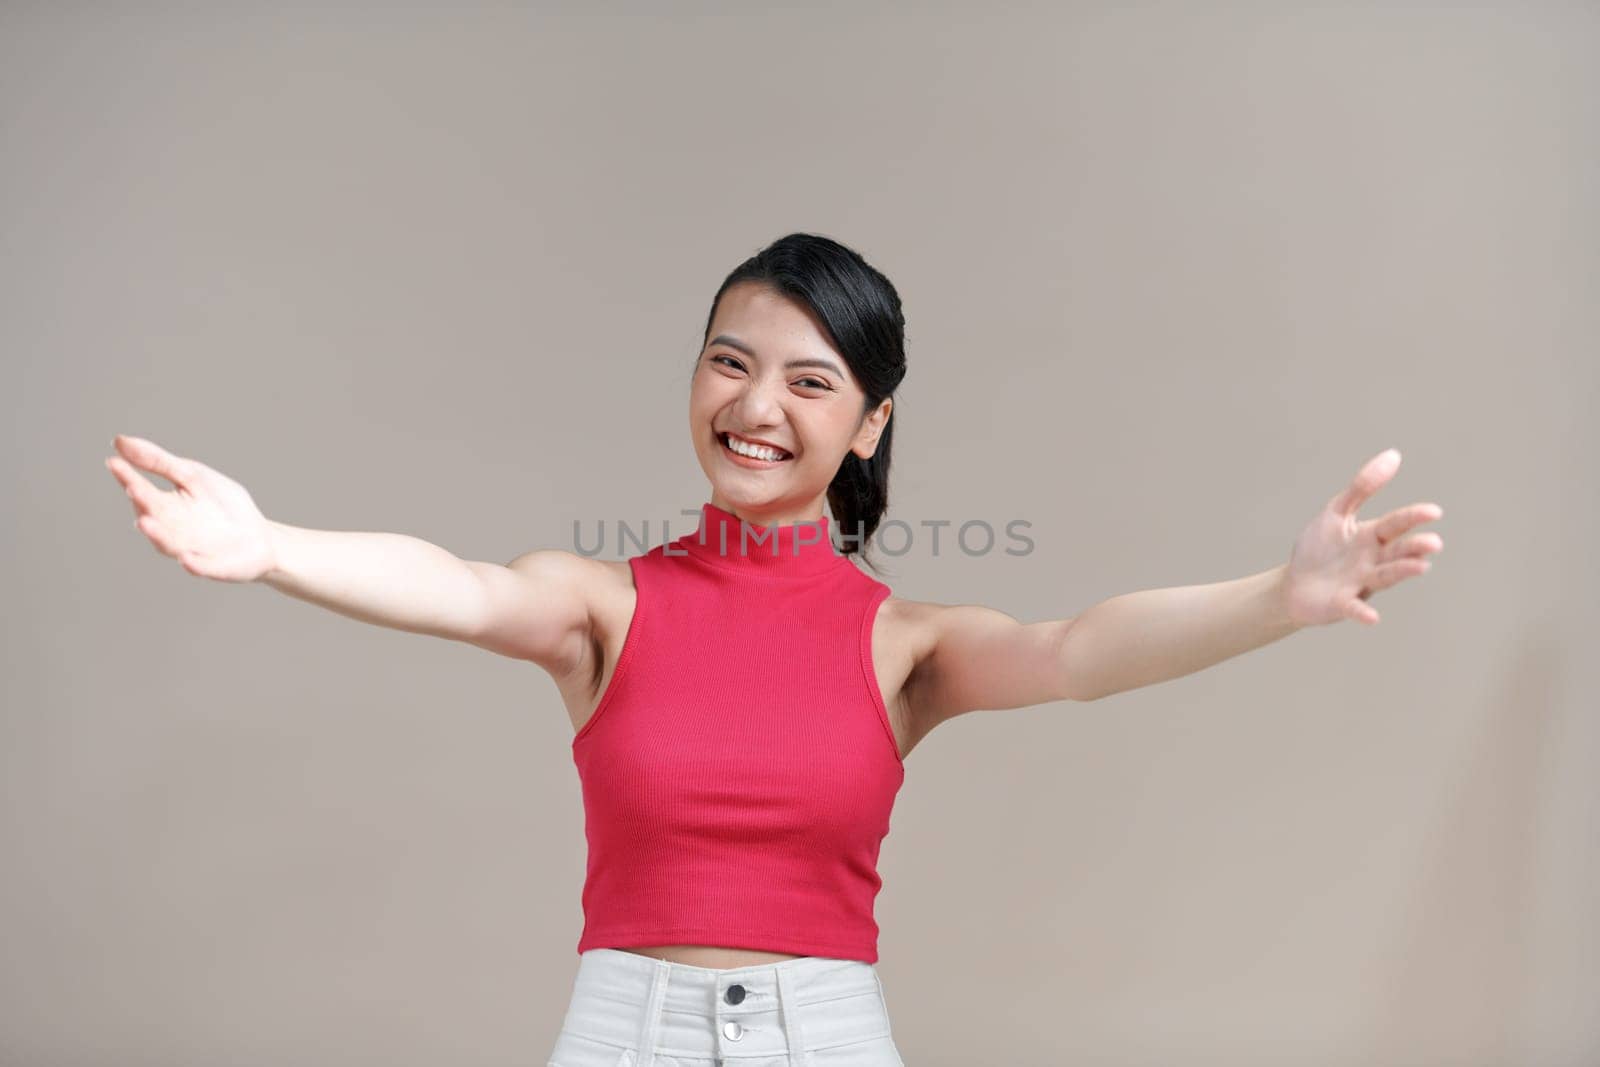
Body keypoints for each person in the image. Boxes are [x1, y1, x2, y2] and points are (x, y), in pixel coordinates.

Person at [105, 232, 1444, 1066]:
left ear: (867, 425)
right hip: (619, 1038)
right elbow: (452, 586)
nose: (754, 406)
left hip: (828, 1042)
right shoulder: (601, 604)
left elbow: (1077, 649)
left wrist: (1282, 594)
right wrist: (272, 542)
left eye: (809, 382)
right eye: (727, 363)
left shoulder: (904, 643)